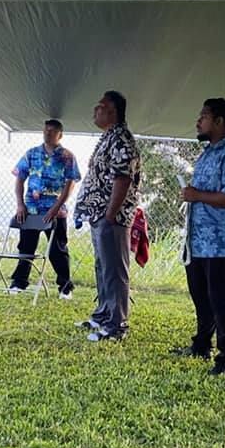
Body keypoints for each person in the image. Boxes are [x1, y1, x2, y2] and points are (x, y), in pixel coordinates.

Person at [172, 99, 225, 376]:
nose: (198, 121)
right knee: (201, 295)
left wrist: (196, 195)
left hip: (220, 241)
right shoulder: (207, 153)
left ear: (219, 121)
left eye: (204, 116)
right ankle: (201, 345)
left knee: (222, 299)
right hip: (198, 240)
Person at [74, 91, 141, 341]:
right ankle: (103, 315)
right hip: (100, 213)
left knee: (115, 269)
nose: (95, 110)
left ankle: (117, 324)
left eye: (100, 106)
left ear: (112, 111)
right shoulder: (109, 137)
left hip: (112, 216)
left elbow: (122, 178)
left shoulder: (121, 138)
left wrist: (111, 213)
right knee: (103, 267)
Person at [9, 119, 81, 299]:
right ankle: (19, 283)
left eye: (52, 131)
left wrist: (56, 208)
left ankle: (65, 287)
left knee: (58, 250)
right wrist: (20, 204)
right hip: (30, 210)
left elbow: (70, 184)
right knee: (26, 247)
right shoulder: (31, 154)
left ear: (60, 135)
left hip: (55, 211)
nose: (48, 134)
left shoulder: (67, 157)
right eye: (46, 130)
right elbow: (19, 179)